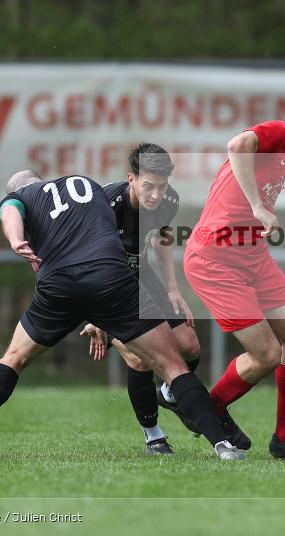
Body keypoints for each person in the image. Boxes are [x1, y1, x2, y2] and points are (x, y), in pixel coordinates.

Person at [0, 170, 245, 460]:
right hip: (112, 280)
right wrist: (102, 315)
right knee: (172, 365)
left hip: (60, 286)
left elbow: (10, 209)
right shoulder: (90, 186)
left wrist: (16, 240)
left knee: (13, 358)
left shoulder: (25, 196)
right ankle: (221, 446)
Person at [179, 84, 285, 461]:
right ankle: (205, 407)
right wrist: (258, 206)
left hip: (251, 254)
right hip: (215, 259)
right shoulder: (276, 132)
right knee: (268, 353)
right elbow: (237, 146)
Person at [80, 143, 201, 456]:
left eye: (162, 187)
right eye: (149, 186)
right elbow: (83, 258)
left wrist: (173, 288)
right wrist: (95, 316)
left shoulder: (168, 200)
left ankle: (168, 391)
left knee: (189, 345)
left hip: (142, 277)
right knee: (139, 357)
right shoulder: (104, 203)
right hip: (105, 287)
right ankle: (154, 437)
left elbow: (162, 238)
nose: (156, 195)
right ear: (131, 178)